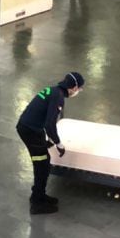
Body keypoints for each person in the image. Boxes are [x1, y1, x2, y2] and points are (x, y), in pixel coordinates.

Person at [17, 72, 85, 215]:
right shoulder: (58, 98)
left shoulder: (54, 91)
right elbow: (49, 124)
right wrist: (59, 143)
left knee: (43, 162)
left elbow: (46, 119)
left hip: (32, 128)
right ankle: (37, 203)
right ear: (73, 87)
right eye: (79, 89)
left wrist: (49, 140)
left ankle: (39, 194)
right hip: (30, 131)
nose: (78, 92)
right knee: (42, 164)